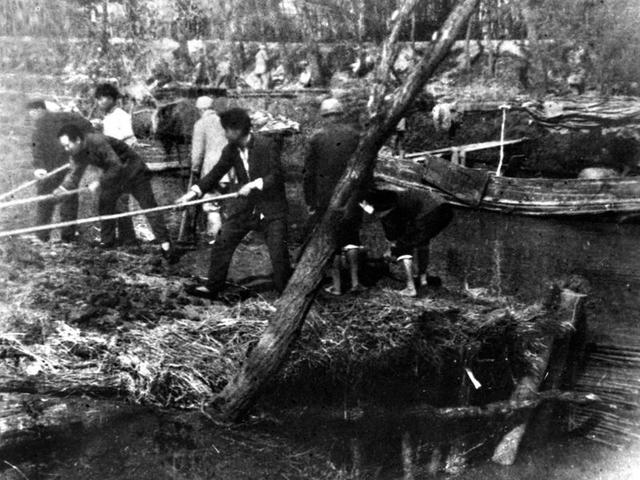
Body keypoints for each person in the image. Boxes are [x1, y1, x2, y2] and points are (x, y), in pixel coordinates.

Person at [177, 108, 292, 298]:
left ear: (237, 130)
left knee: (278, 252)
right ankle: (213, 286)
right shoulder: (230, 150)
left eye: (226, 129)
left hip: (272, 209)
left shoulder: (267, 145)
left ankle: (285, 295)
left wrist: (254, 185)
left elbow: (277, 176)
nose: (224, 133)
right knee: (223, 240)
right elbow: (215, 173)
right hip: (247, 209)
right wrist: (192, 193)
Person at [55, 124, 176, 261]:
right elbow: (74, 174)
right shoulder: (76, 153)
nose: (66, 149)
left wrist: (99, 182)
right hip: (116, 175)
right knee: (105, 202)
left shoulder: (97, 142)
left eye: (67, 145)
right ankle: (107, 242)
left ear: (77, 140)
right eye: (64, 147)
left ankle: (166, 244)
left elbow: (115, 165)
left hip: (134, 171)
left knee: (148, 206)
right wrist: (62, 189)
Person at [303, 98, 364, 295]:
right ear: (341, 113)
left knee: (332, 239)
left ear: (324, 116)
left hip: (325, 195)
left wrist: (310, 200)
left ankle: (337, 287)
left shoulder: (316, 138)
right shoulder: (355, 135)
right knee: (352, 235)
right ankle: (355, 282)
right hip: (352, 193)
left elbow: (308, 173)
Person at [361, 189, 453, 297]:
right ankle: (423, 281)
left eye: (378, 213)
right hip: (445, 209)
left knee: (404, 244)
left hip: (431, 211)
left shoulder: (392, 208)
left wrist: (392, 249)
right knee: (421, 241)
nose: (378, 216)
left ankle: (410, 288)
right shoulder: (395, 198)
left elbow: (396, 236)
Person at [27, 99, 93, 242]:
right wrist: (39, 168)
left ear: (39, 110)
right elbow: (37, 149)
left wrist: (80, 152)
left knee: (56, 200)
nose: (31, 116)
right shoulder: (43, 125)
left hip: (66, 166)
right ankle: (61, 237)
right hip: (55, 168)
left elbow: (88, 129)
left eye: (32, 112)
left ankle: (46, 237)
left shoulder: (61, 119)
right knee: (53, 199)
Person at [93, 83, 138, 245]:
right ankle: (108, 239)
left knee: (120, 201)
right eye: (98, 99)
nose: (100, 102)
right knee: (106, 201)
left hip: (121, 164)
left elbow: (130, 141)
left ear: (112, 99)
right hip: (108, 165)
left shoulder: (122, 116)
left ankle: (128, 238)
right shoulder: (107, 118)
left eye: (103, 98)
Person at [190, 96, 232, 240]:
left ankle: (214, 238)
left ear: (200, 109)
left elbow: (198, 151)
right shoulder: (224, 121)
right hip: (230, 169)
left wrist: (195, 168)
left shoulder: (201, 124)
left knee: (211, 203)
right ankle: (227, 236)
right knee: (225, 201)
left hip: (212, 169)